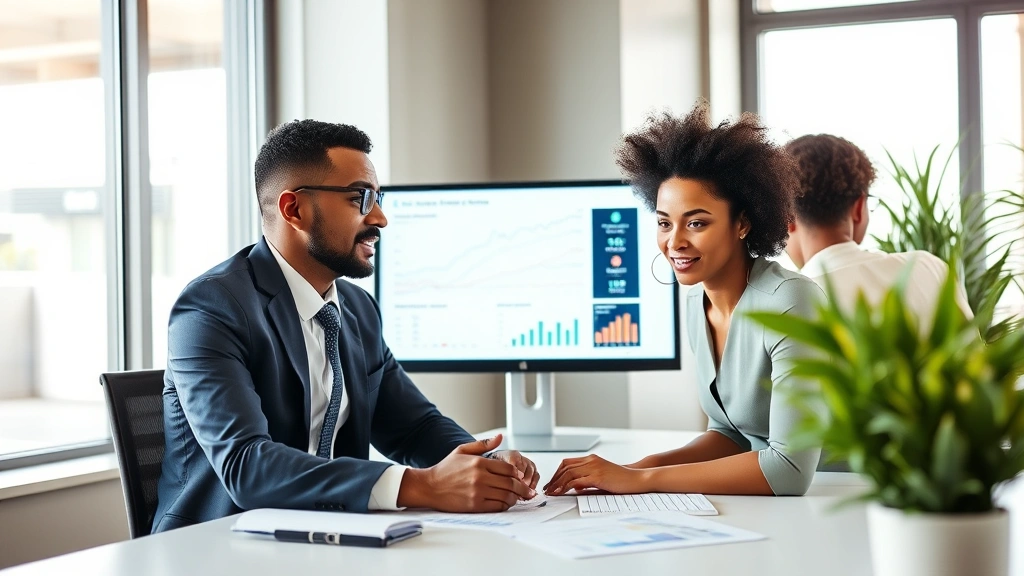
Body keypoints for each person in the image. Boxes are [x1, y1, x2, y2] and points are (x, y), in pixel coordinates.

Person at [153, 120, 538, 533]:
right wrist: (421, 485)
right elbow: (248, 466)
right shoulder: (212, 308)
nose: (381, 218)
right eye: (361, 198)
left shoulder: (356, 308)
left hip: (328, 539)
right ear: (293, 209)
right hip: (216, 547)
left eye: (379, 197)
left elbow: (413, 427)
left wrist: (485, 464)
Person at [543, 102, 824, 497]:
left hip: (837, 500)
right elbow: (730, 434)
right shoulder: (697, 303)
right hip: (770, 509)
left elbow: (789, 470)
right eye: (663, 222)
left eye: (696, 223)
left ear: (742, 222)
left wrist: (642, 481)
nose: (674, 242)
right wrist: (635, 467)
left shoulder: (791, 301)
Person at [783, 133, 973, 332]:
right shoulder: (929, 268)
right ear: (858, 208)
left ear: (786, 218)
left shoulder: (785, 306)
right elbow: (977, 357)